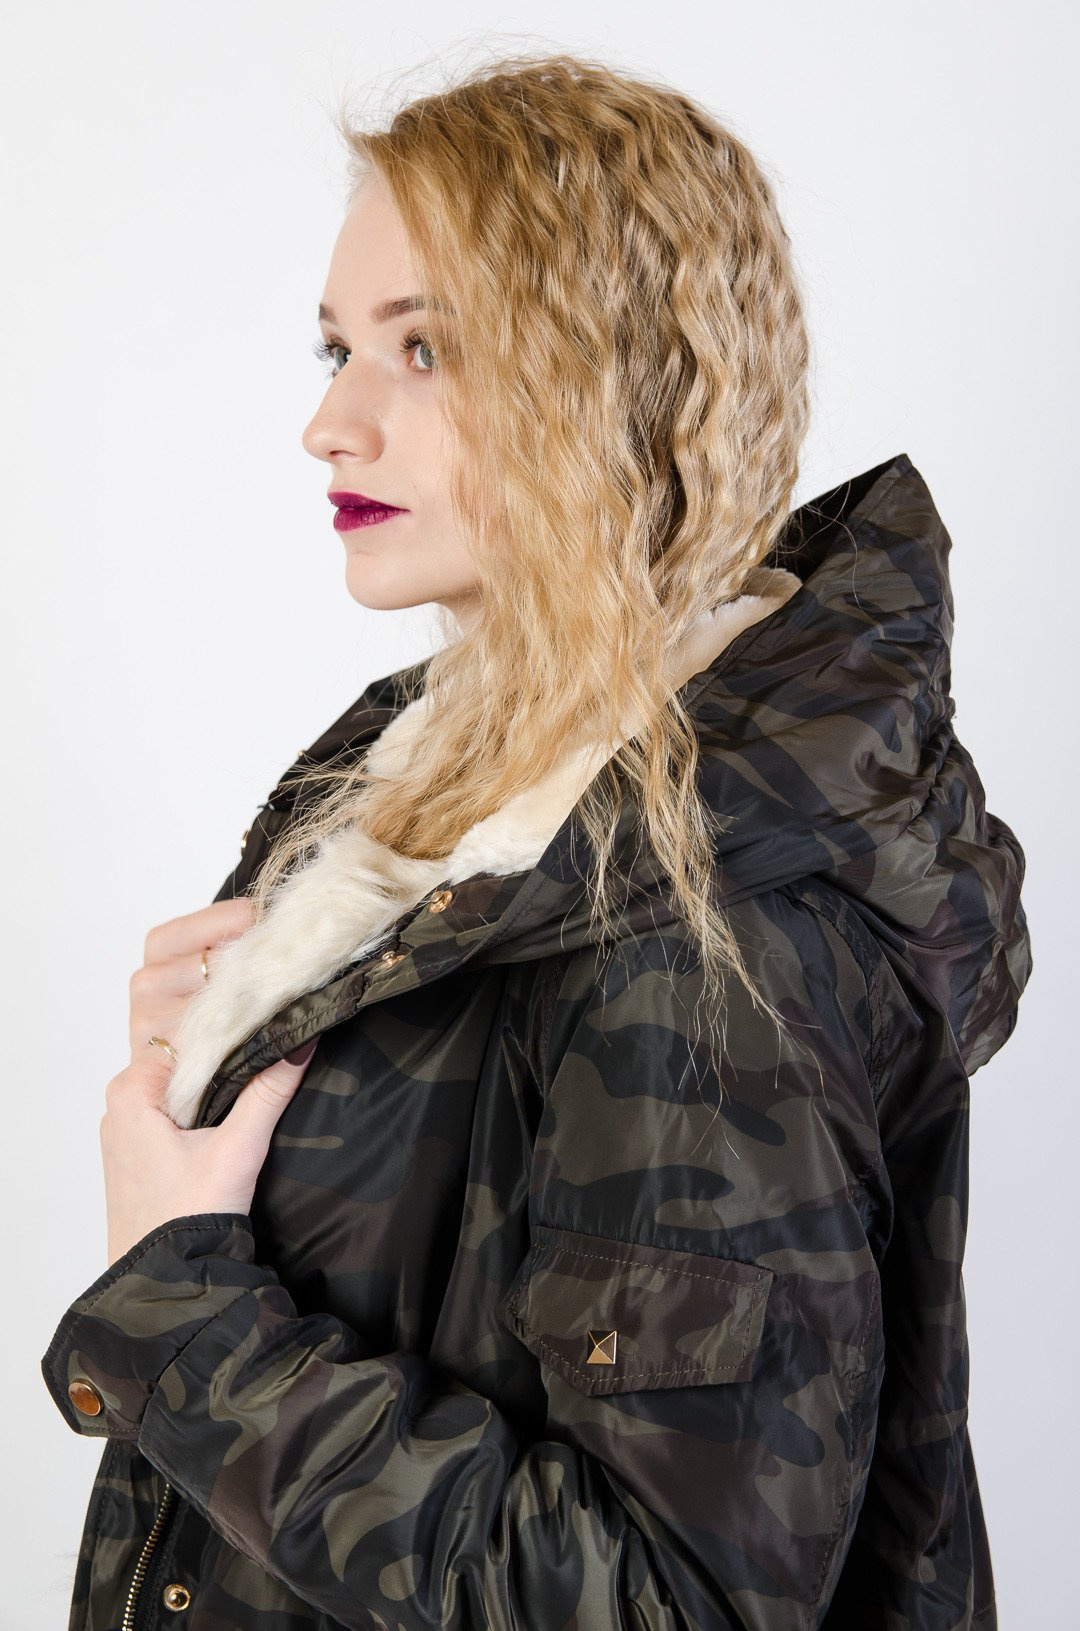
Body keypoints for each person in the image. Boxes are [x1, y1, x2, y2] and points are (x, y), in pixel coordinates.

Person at [41, 49, 1031, 1631]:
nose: (329, 424)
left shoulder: (706, 930)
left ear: (625, 380)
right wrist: (247, 1061)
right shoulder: (408, 789)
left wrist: (181, 1312)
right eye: (337, 346)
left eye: (424, 349)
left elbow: (666, 1604)